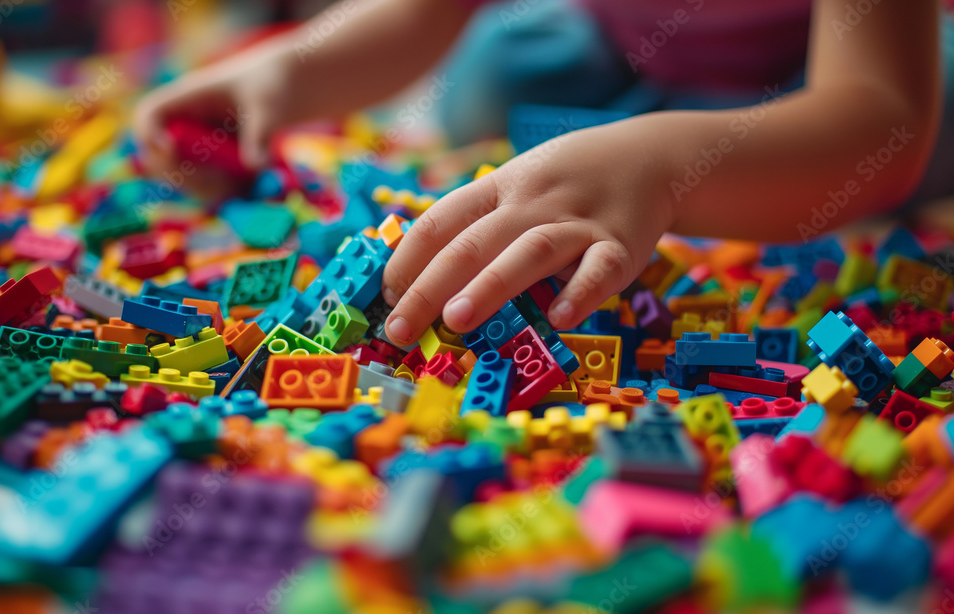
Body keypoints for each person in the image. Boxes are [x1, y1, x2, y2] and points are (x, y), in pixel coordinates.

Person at [134, 0, 947, 348]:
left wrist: (663, 169)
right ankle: (636, 125)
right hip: (640, 54)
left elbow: (876, 115)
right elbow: (420, 14)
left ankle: (657, 135)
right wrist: (291, 69)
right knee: (500, 63)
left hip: (829, 87)